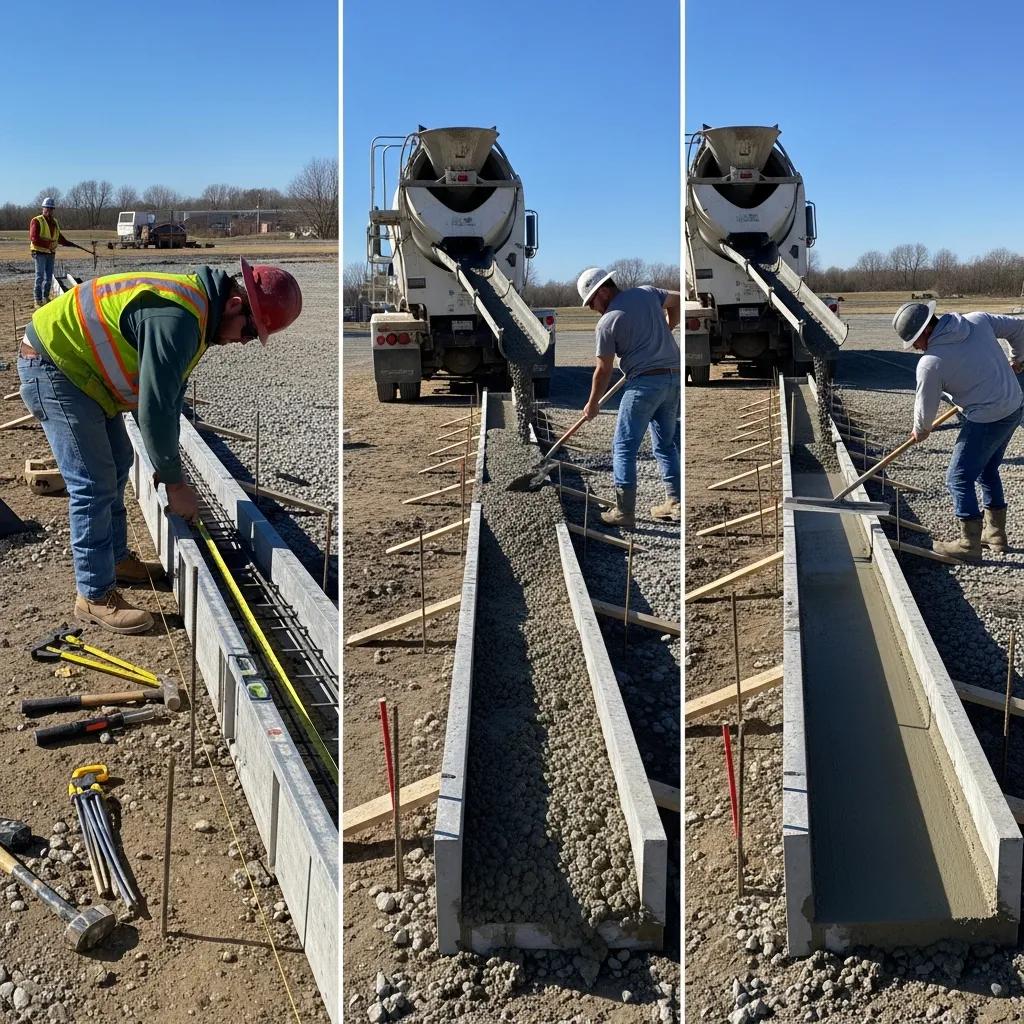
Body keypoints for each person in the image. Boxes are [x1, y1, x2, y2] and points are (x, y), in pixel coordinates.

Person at [17, 259, 302, 634]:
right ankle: (94, 595)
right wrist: (174, 482)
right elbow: (152, 408)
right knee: (92, 483)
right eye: (249, 331)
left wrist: (171, 471)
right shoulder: (181, 319)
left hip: (84, 373)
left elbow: (168, 399)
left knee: (119, 462)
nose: (242, 342)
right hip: (55, 366)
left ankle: (115, 560)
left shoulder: (199, 315)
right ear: (235, 304)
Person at [894, 299, 1024, 560]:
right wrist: (1018, 358)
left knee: (958, 478)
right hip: (1014, 405)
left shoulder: (931, 363)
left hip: (987, 417)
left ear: (927, 331)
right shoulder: (977, 320)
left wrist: (921, 430)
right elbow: (1020, 327)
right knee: (987, 469)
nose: (917, 348)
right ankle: (996, 535)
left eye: (916, 342)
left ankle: (968, 545)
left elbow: (925, 404)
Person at [577, 267, 681, 527]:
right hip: (672, 379)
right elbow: (677, 299)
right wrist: (670, 326)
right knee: (665, 444)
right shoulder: (646, 293)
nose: (592, 308)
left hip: (643, 386)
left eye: (591, 301)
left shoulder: (607, 322)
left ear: (603, 290)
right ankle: (675, 502)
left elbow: (603, 369)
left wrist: (592, 404)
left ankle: (624, 513)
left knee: (623, 447)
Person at [29, 198, 75, 308]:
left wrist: (69, 243)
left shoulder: (54, 222)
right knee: (39, 276)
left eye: (51, 209)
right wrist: (48, 244)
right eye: (47, 208)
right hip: (39, 252)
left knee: (49, 277)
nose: (49, 211)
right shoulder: (37, 221)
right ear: (43, 208)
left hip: (50, 253)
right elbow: (34, 238)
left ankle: (46, 297)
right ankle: (38, 300)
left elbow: (58, 237)